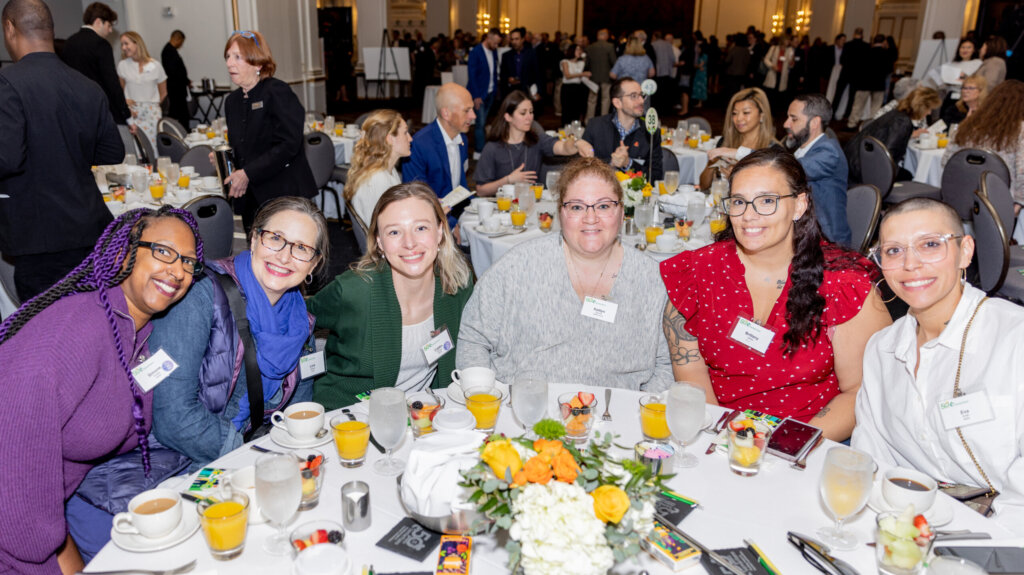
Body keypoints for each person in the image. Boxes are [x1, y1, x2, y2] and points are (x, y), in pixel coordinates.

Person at [0, 205, 202, 573]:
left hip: (51, 522)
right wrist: (44, 549)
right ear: (125, 252)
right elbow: (10, 461)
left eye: (189, 262)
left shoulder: (137, 333)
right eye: (163, 251)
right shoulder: (77, 330)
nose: (178, 270)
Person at [661, 148, 890, 441]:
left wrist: (785, 444)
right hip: (718, 435)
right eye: (739, 202)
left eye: (767, 201)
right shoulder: (697, 272)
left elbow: (860, 390)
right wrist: (725, 439)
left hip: (811, 441)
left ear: (799, 205)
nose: (748, 216)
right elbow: (691, 374)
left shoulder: (843, 284)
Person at [852, 198, 1024, 534]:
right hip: (907, 523)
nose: (910, 264)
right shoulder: (882, 350)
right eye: (893, 251)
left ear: (965, 251)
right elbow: (871, 455)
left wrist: (990, 542)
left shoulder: (1014, 339)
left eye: (930, 245)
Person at [457, 157, 673, 390]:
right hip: (524, 413)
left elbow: (667, 364)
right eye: (577, 207)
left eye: (603, 206)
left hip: (615, 418)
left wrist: (642, 412)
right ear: (560, 213)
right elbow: (473, 338)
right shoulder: (517, 266)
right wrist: (486, 400)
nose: (591, 218)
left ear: (622, 212)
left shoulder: (651, 280)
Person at [150, 197, 325, 470]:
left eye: (301, 248)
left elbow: (298, 413)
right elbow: (174, 418)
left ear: (313, 264)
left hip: (253, 454)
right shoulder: (200, 296)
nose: (284, 256)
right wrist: (255, 459)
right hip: (181, 461)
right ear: (254, 239)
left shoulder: (300, 322)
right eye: (275, 238)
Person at [0, 0, 124, 302]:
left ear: (9, 29)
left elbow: (8, 157)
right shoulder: (87, 86)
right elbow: (112, 151)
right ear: (50, 31)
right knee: (92, 321)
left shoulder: (7, 83)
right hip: (90, 229)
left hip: (38, 239)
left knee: (47, 335)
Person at [310, 182, 474, 408]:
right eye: (394, 232)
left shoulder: (458, 284)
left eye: (421, 228)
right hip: (348, 419)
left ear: (440, 232)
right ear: (379, 243)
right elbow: (297, 318)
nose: (410, 243)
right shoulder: (353, 290)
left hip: (424, 417)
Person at [222, 30, 317, 232]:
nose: (230, 63)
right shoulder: (232, 101)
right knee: (257, 251)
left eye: (238, 57)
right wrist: (227, 158)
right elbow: (245, 146)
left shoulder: (277, 92)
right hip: (251, 196)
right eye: (228, 56)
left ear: (257, 63)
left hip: (283, 192)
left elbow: (289, 144)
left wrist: (248, 172)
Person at [474, 90, 592, 196]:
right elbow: (481, 190)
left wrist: (577, 142)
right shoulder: (492, 148)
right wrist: (508, 180)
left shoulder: (537, 140)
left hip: (531, 204)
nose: (529, 117)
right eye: (523, 113)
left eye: (531, 112)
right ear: (508, 117)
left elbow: (563, 147)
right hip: (501, 210)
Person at [403, 82, 476, 230]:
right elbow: (417, 200)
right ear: (446, 114)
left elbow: (460, 186)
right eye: (467, 110)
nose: (473, 116)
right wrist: (452, 225)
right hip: (432, 224)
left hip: (455, 214)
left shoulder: (462, 139)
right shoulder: (419, 145)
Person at [941, 80, 1024, 208]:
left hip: (962, 198)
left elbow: (947, 162)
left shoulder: (968, 126)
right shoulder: (1019, 131)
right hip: (1001, 203)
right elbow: (1022, 174)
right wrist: (1018, 205)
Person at [784, 93, 853, 246]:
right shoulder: (804, 149)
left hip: (827, 243)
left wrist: (738, 153)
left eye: (793, 119)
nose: (786, 124)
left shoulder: (829, 152)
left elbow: (787, 169)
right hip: (805, 233)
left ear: (814, 122)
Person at [845, 86, 942, 183]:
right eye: (929, 109)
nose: (929, 113)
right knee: (910, 177)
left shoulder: (896, 113)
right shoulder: (903, 122)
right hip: (864, 169)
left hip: (855, 160)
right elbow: (886, 155)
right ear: (922, 106)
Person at [61, 2, 131, 129]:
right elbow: (111, 82)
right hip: (101, 110)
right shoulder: (101, 44)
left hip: (76, 111)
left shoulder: (68, 43)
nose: (110, 31)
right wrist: (125, 113)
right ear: (99, 22)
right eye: (109, 25)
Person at [581, 77, 664, 181]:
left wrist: (628, 164)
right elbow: (582, 167)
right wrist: (610, 163)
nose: (641, 101)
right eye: (634, 96)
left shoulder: (651, 132)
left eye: (642, 95)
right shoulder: (595, 126)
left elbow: (656, 177)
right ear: (617, 103)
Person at [345, 109, 411, 225]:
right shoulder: (378, 179)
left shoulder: (387, 169)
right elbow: (388, 227)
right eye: (405, 133)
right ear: (390, 138)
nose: (410, 138)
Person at [705, 87, 776, 183]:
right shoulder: (725, 142)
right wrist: (712, 165)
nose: (738, 118)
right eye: (734, 113)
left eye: (746, 112)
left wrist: (736, 178)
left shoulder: (773, 150)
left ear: (762, 115)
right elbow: (703, 185)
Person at [117, 31, 166, 146]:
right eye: (122, 45)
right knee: (136, 147)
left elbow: (163, 92)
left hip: (152, 113)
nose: (123, 48)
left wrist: (153, 107)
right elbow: (120, 90)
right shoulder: (122, 65)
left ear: (136, 43)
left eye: (126, 44)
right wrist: (126, 103)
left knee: (153, 147)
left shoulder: (155, 65)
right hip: (132, 112)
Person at [847, 35, 893, 129]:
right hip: (879, 83)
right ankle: (871, 125)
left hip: (864, 83)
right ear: (884, 42)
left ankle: (852, 123)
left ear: (873, 41)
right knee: (876, 107)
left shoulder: (865, 52)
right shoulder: (886, 54)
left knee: (858, 105)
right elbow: (889, 70)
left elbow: (858, 67)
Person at [466, 28, 500, 156]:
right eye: (495, 43)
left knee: (484, 121)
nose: (496, 46)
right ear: (488, 38)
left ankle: (482, 148)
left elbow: (493, 71)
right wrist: (476, 96)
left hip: (490, 92)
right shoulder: (476, 52)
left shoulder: (493, 51)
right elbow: (472, 75)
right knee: (480, 123)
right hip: (479, 95)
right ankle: (478, 151)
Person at [500, 27, 541, 101]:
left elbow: (538, 74)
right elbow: (502, 74)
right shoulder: (506, 56)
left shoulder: (532, 54)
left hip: (528, 91)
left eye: (516, 39)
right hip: (511, 92)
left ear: (522, 39)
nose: (514, 42)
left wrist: (539, 92)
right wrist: (508, 79)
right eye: (512, 39)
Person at [585, 28, 617, 121]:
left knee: (592, 100)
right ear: (605, 36)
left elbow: (587, 63)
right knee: (605, 99)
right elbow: (613, 61)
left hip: (593, 76)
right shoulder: (610, 46)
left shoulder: (590, 47)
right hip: (606, 76)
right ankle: (604, 119)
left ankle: (589, 119)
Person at [161, 29, 190, 130]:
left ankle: (182, 130)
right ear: (178, 39)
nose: (181, 45)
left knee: (181, 113)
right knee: (179, 113)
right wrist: (185, 80)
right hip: (176, 88)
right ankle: (181, 132)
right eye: (181, 42)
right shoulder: (168, 51)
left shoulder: (171, 50)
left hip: (178, 88)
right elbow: (174, 71)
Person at [559, 43, 590, 126]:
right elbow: (567, 75)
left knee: (577, 111)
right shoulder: (565, 62)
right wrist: (582, 74)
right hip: (567, 88)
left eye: (580, 49)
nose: (580, 51)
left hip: (578, 88)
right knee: (567, 110)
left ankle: (575, 132)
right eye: (577, 49)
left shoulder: (581, 63)